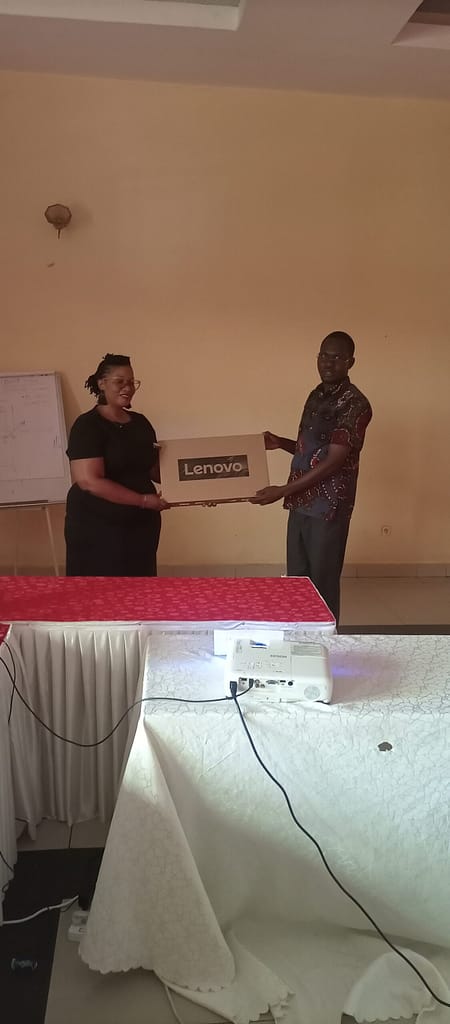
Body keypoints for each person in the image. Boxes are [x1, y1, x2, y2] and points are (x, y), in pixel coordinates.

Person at [250, 332, 372, 624]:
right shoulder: (316, 395)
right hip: (300, 503)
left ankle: (326, 643)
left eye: (337, 357)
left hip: (328, 509)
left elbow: (334, 461)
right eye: (323, 356)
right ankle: (299, 637)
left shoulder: (355, 404)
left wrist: (282, 490)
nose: (328, 363)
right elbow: (314, 450)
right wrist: (281, 443)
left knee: (322, 584)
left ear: (351, 362)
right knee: (298, 581)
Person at [65, 353, 170, 576]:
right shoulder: (87, 426)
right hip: (96, 526)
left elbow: (154, 470)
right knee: (101, 591)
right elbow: (89, 481)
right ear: (102, 384)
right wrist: (142, 500)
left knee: (140, 587)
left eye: (131, 382)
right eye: (119, 381)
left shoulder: (141, 423)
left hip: (141, 524)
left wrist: (196, 488)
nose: (128, 387)